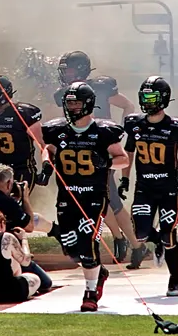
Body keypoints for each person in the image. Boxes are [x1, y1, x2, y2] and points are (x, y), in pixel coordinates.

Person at [42, 81, 129, 313]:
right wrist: (45, 165)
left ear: (88, 104)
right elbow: (49, 149)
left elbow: (124, 159)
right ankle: (98, 272)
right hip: (66, 196)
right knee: (72, 250)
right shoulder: (57, 129)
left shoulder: (103, 131)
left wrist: (107, 162)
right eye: (69, 103)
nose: (71, 107)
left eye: (76, 103)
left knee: (89, 244)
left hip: (93, 197)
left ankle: (90, 293)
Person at [54, 51, 140, 262]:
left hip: (102, 148)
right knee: (98, 198)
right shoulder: (65, 92)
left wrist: (119, 130)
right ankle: (123, 240)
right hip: (80, 149)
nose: (66, 74)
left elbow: (128, 105)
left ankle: (131, 243)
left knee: (108, 196)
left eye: (70, 69)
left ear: (82, 69)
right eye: (64, 70)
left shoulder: (101, 86)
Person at [122, 77, 178, 297]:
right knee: (140, 234)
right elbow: (129, 152)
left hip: (168, 189)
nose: (146, 102)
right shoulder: (134, 124)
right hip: (144, 187)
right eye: (144, 97)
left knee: (169, 236)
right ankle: (156, 242)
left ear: (163, 99)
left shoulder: (175, 127)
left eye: (151, 97)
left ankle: (174, 280)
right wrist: (125, 179)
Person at [0, 164, 53, 294]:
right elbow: (30, 226)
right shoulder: (8, 203)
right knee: (45, 283)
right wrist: (25, 199)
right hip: (7, 257)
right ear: (9, 183)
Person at [0, 75, 48, 189]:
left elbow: (43, 144)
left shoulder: (23, 113)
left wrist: (46, 167)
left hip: (21, 170)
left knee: (15, 205)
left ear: (4, 94)